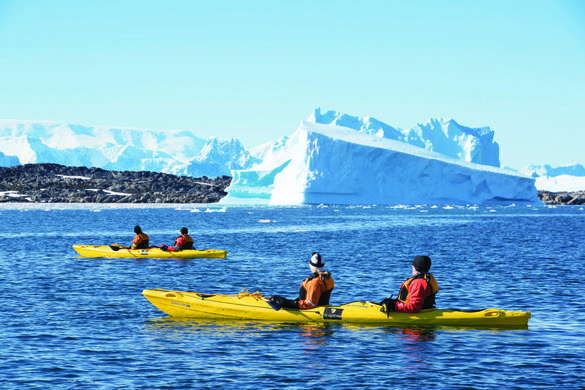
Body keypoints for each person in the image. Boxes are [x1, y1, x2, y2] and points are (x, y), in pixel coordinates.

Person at [270, 252, 335, 310]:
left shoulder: (314, 282)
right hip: (320, 307)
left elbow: (310, 304)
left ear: (310, 266)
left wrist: (286, 303)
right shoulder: (328, 278)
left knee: (275, 298)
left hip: (309, 310)